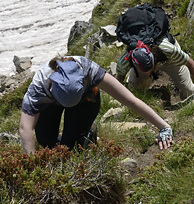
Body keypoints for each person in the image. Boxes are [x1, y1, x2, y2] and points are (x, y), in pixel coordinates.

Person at [19, 55, 173, 154]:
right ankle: (63, 145)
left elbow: (129, 100)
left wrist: (164, 126)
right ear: (51, 87)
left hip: (84, 102)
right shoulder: (39, 85)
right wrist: (34, 168)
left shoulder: (91, 71)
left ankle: (86, 134)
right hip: (49, 104)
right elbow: (25, 128)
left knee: (70, 147)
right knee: (46, 141)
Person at [115, 32, 194, 101]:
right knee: (133, 90)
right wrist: (117, 95)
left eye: (149, 69)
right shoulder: (125, 60)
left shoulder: (169, 50)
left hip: (169, 61)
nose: (147, 73)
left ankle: (184, 96)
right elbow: (119, 76)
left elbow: (190, 63)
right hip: (146, 64)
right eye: (144, 70)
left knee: (190, 92)